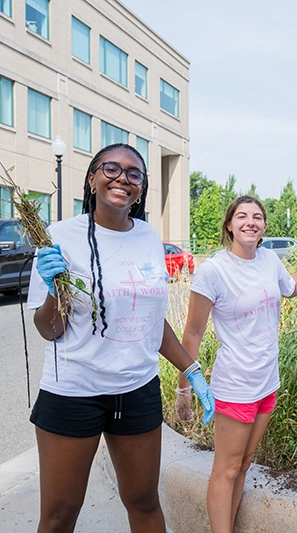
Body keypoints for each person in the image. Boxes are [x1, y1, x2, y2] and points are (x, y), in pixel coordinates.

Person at [28, 143, 215, 533]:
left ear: (142, 189)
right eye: (111, 168)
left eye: (134, 174)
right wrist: (52, 288)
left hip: (136, 389)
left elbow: (149, 320)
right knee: (59, 516)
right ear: (92, 179)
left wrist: (191, 370)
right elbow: (48, 329)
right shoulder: (60, 235)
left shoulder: (148, 236)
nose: (123, 178)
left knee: (145, 503)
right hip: (73, 392)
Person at [174, 195, 297, 533]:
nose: (251, 221)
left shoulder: (267, 259)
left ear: (264, 226)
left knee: (244, 464)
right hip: (235, 384)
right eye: (242, 216)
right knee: (227, 469)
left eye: (258, 217)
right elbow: (192, 333)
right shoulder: (214, 271)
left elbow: (290, 287)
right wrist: (184, 388)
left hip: (266, 383)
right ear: (230, 225)